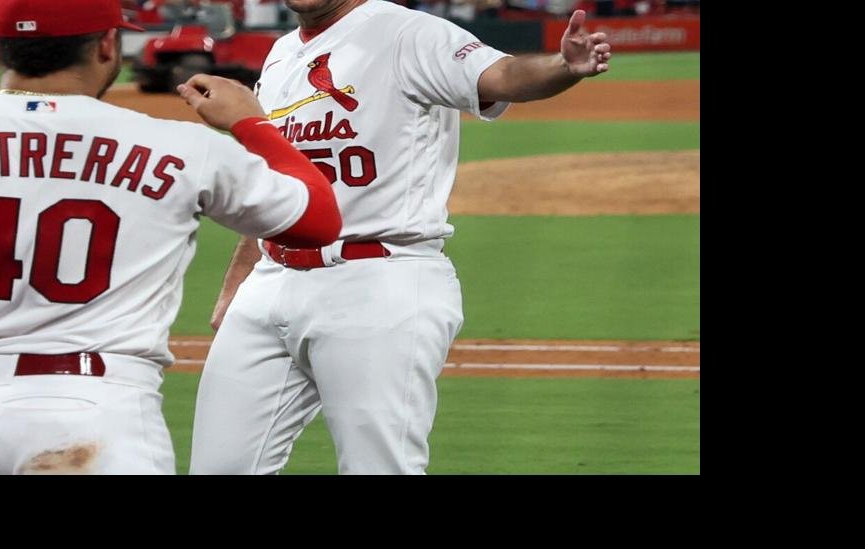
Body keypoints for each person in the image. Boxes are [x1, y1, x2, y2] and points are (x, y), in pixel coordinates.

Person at [0, 0, 339, 474]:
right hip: (100, 413)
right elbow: (317, 220)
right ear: (108, 45)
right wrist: (253, 124)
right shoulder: (184, 146)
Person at [188, 0, 611, 475]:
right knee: (219, 467)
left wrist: (564, 65)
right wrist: (238, 279)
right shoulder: (283, 52)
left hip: (378, 280)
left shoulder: (410, 34)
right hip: (270, 282)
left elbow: (503, 75)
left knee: (379, 468)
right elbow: (281, 179)